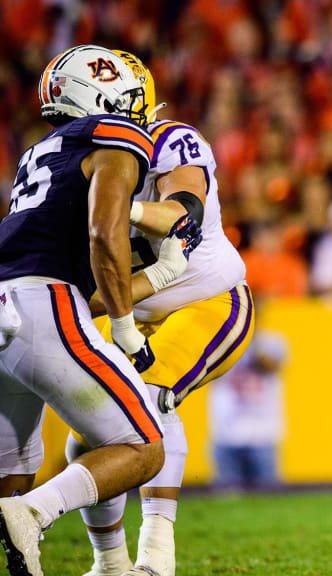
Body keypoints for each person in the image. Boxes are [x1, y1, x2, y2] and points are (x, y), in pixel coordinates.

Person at [0, 45, 187, 576]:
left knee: (9, 471)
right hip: (45, 306)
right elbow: (104, 234)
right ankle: (33, 513)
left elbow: (81, 270)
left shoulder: (43, 150)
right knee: (142, 445)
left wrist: (157, 276)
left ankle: (45, 524)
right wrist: (127, 332)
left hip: (9, 304)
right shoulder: (115, 135)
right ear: (105, 94)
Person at [66, 50, 253, 576]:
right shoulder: (75, 162)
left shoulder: (171, 139)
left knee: (146, 400)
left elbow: (181, 214)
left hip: (210, 300)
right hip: (138, 310)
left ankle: (155, 558)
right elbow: (95, 286)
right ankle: (110, 563)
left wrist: (114, 207)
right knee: (91, 427)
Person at [209, 327, 287, 489]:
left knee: (269, 498)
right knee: (227, 497)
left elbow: (269, 364)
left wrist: (247, 342)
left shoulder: (271, 341)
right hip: (225, 434)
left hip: (262, 435)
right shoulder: (218, 342)